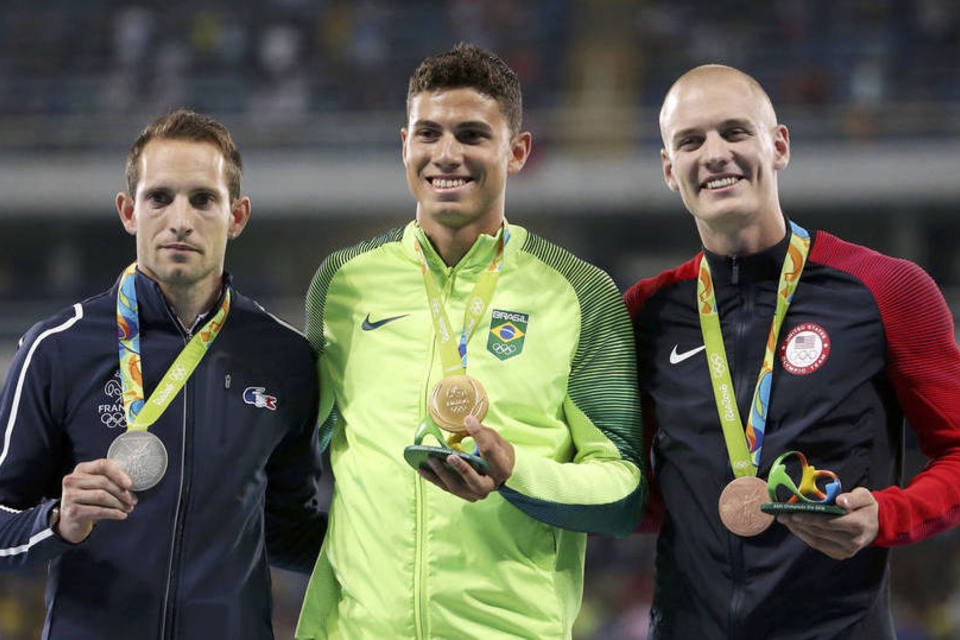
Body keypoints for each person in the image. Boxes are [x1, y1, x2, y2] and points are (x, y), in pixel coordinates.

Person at [296, 43, 645, 639]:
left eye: (472, 134)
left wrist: (518, 474)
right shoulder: (342, 284)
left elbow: (623, 493)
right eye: (428, 133)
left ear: (517, 151)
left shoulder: (581, 293)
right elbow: (300, 463)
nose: (446, 154)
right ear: (403, 145)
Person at [625, 64, 960, 639]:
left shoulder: (887, 289)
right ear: (667, 168)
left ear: (778, 146)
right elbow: (639, 491)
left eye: (735, 132)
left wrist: (888, 515)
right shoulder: (646, 311)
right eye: (690, 140)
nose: (714, 154)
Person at [0, 109, 326, 639]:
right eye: (159, 198)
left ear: (237, 216)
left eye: (203, 199)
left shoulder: (284, 359)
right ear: (129, 211)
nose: (180, 219)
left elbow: (291, 532)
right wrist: (58, 522)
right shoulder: (57, 349)